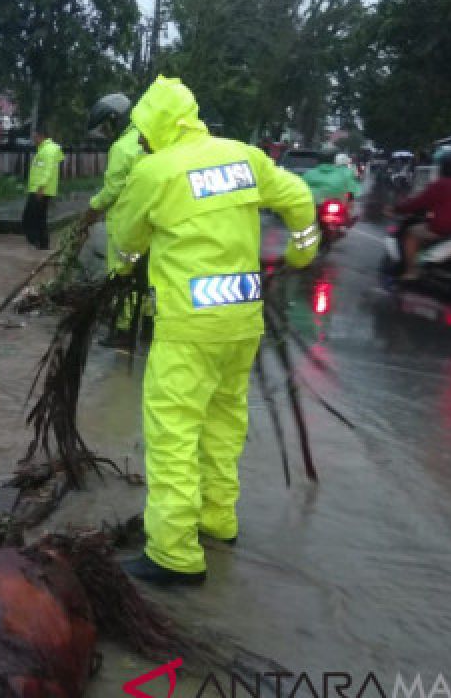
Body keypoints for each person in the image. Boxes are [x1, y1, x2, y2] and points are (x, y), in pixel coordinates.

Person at [108, 76, 319, 586]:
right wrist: (301, 251)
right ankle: (217, 520)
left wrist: (122, 268)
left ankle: (174, 554)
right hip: (242, 323)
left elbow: (124, 241)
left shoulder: (153, 171)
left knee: (173, 433)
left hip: (187, 326)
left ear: (154, 124)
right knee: (224, 424)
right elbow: (299, 198)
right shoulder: (244, 157)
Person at [82, 93, 145, 345]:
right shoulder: (149, 139)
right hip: (151, 223)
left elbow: (111, 192)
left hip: (126, 226)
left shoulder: (123, 147)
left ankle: (122, 330)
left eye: (105, 128)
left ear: (114, 120)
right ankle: (148, 328)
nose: (105, 135)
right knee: (146, 275)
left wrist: (89, 212)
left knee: (121, 275)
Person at [392, 149, 451, 280]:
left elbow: (418, 202)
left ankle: (411, 271)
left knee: (411, 234)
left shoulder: (440, 184)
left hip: (440, 229)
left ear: (444, 166)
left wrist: (398, 208)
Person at [22, 129, 64, 250]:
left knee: (30, 217)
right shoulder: (44, 149)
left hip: (41, 190)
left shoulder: (49, 150)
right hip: (39, 189)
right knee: (38, 217)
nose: (33, 140)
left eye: (35, 137)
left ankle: (38, 242)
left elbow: (48, 170)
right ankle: (41, 244)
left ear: (41, 136)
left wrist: (41, 187)